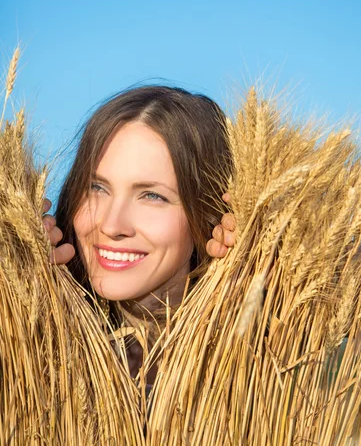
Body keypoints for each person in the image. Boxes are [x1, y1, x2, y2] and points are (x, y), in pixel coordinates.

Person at [42, 85, 237, 371]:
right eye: (96, 187)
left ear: (211, 213)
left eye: (152, 196)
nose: (111, 225)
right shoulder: (29, 363)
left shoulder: (269, 374)